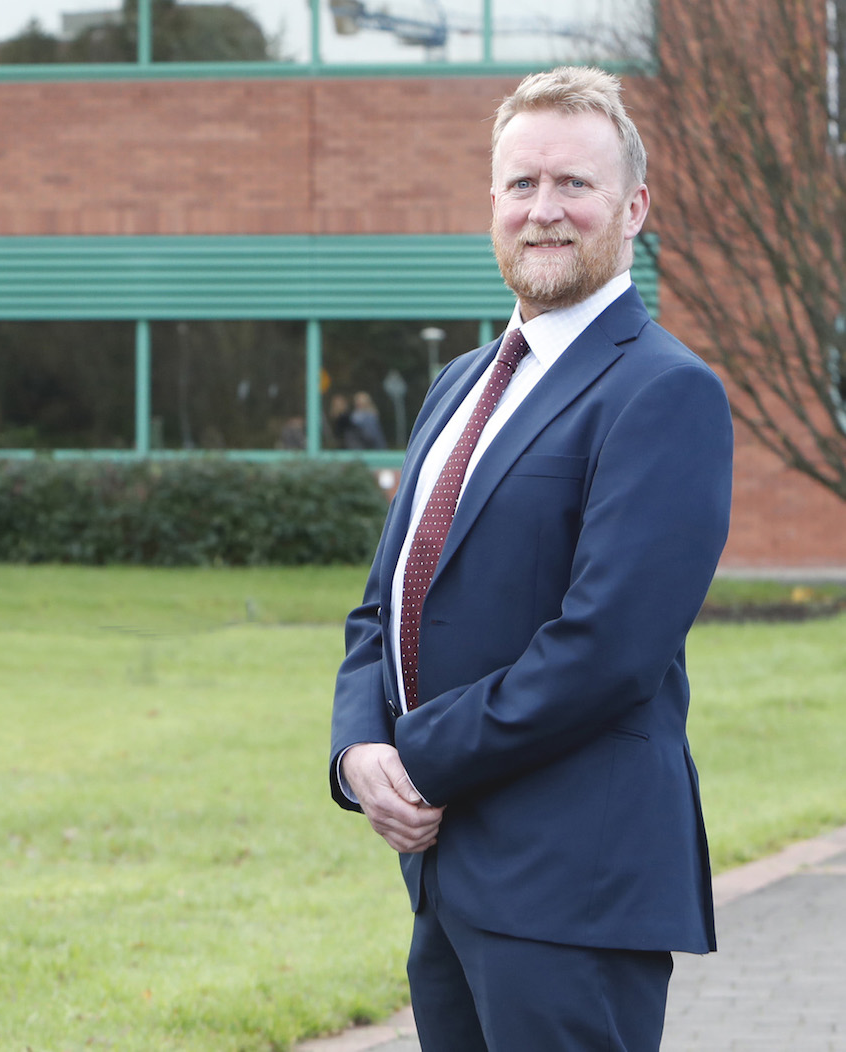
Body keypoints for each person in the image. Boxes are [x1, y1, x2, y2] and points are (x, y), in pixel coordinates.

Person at [329, 67, 732, 1051]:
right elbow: (383, 605)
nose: (544, 211)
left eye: (573, 185)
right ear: (493, 203)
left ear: (633, 207)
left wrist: (415, 752)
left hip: (574, 887)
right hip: (446, 875)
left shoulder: (665, 392)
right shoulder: (460, 383)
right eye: (521, 185)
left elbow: (606, 647)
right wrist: (356, 748)